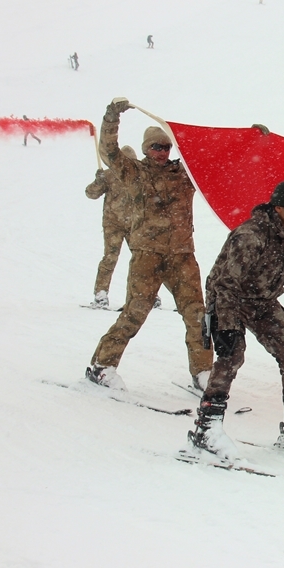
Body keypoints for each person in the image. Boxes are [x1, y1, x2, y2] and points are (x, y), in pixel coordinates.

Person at [86, 97, 213, 392]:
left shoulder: (184, 174)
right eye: (156, 147)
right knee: (136, 311)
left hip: (182, 255)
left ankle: (203, 371)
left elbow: (217, 162)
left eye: (166, 147)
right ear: (145, 149)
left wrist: (254, 140)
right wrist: (112, 116)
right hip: (147, 255)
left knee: (198, 314)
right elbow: (109, 151)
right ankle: (103, 365)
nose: (162, 152)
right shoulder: (134, 173)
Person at [189, 180, 284, 460]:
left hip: (263, 301)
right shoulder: (251, 235)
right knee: (231, 355)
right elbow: (224, 283)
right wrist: (224, 325)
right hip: (230, 298)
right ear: (280, 207)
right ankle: (206, 428)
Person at [85, 146, 163, 311]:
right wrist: (98, 181)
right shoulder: (112, 175)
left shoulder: (138, 176)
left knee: (131, 259)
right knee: (126, 259)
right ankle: (104, 295)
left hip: (131, 224)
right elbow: (90, 193)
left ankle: (146, 295)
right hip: (118, 226)